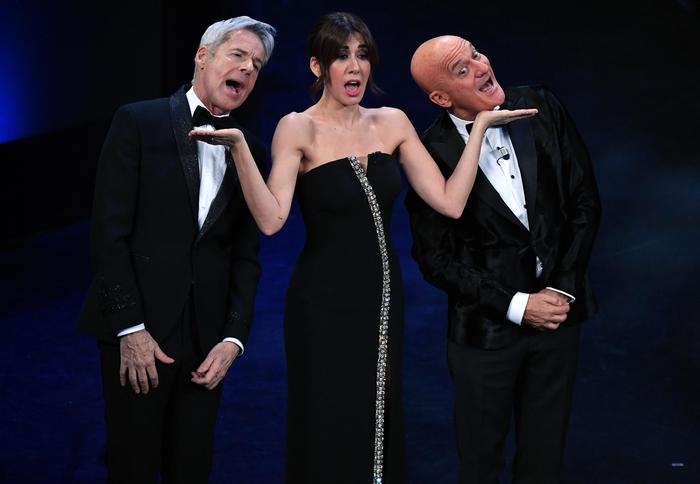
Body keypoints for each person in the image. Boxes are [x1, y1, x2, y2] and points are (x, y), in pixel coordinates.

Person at [189, 13, 535, 483]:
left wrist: (478, 129)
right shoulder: (297, 128)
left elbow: (450, 202)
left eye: (362, 55)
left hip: (383, 300)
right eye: (340, 56)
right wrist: (239, 149)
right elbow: (271, 220)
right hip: (321, 304)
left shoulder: (391, 122)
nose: (354, 67)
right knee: (327, 421)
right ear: (317, 66)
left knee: (379, 420)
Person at [76, 16, 276, 483]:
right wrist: (130, 328)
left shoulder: (251, 150)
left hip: (207, 346)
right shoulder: (138, 121)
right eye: (238, 56)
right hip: (141, 332)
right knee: (134, 465)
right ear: (202, 57)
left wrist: (233, 339)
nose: (248, 70)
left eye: (258, 65)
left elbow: (246, 255)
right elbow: (109, 233)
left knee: (192, 468)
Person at [405, 35, 601, 483]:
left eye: (475, 52)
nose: (479, 66)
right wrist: (516, 305)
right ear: (440, 97)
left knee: (544, 456)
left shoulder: (541, 107)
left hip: (558, 316)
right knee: (480, 460)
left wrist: (559, 290)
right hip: (485, 333)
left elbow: (584, 202)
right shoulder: (428, 152)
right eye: (461, 69)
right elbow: (434, 258)